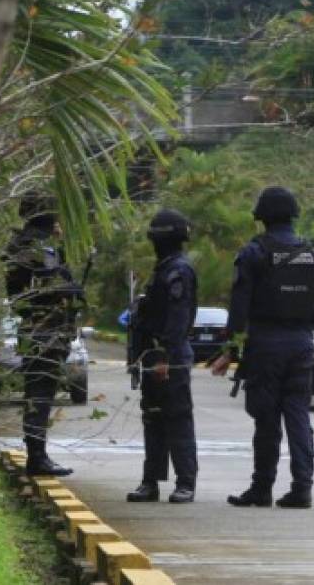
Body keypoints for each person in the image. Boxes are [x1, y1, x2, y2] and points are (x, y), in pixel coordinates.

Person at [211, 186, 314, 510]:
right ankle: (302, 488)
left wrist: (231, 351)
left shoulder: (254, 253)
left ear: (262, 218)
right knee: (298, 417)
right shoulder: (313, 255)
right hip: (301, 347)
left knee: (266, 421)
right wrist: (300, 322)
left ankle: (262, 488)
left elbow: (239, 310)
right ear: (293, 216)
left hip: (265, 347)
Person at [2, 191, 82, 477]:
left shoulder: (22, 244)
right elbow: (47, 284)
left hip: (39, 326)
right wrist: (69, 288)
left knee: (39, 391)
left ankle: (38, 453)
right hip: (45, 328)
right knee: (40, 391)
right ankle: (37, 456)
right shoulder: (38, 247)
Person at [126, 208, 200, 504]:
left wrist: (164, 356)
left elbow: (178, 319)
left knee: (178, 418)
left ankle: (186, 482)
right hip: (154, 354)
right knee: (153, 418)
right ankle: (151, 480)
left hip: (169, 356)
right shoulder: (164, 268)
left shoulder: (177, 270)